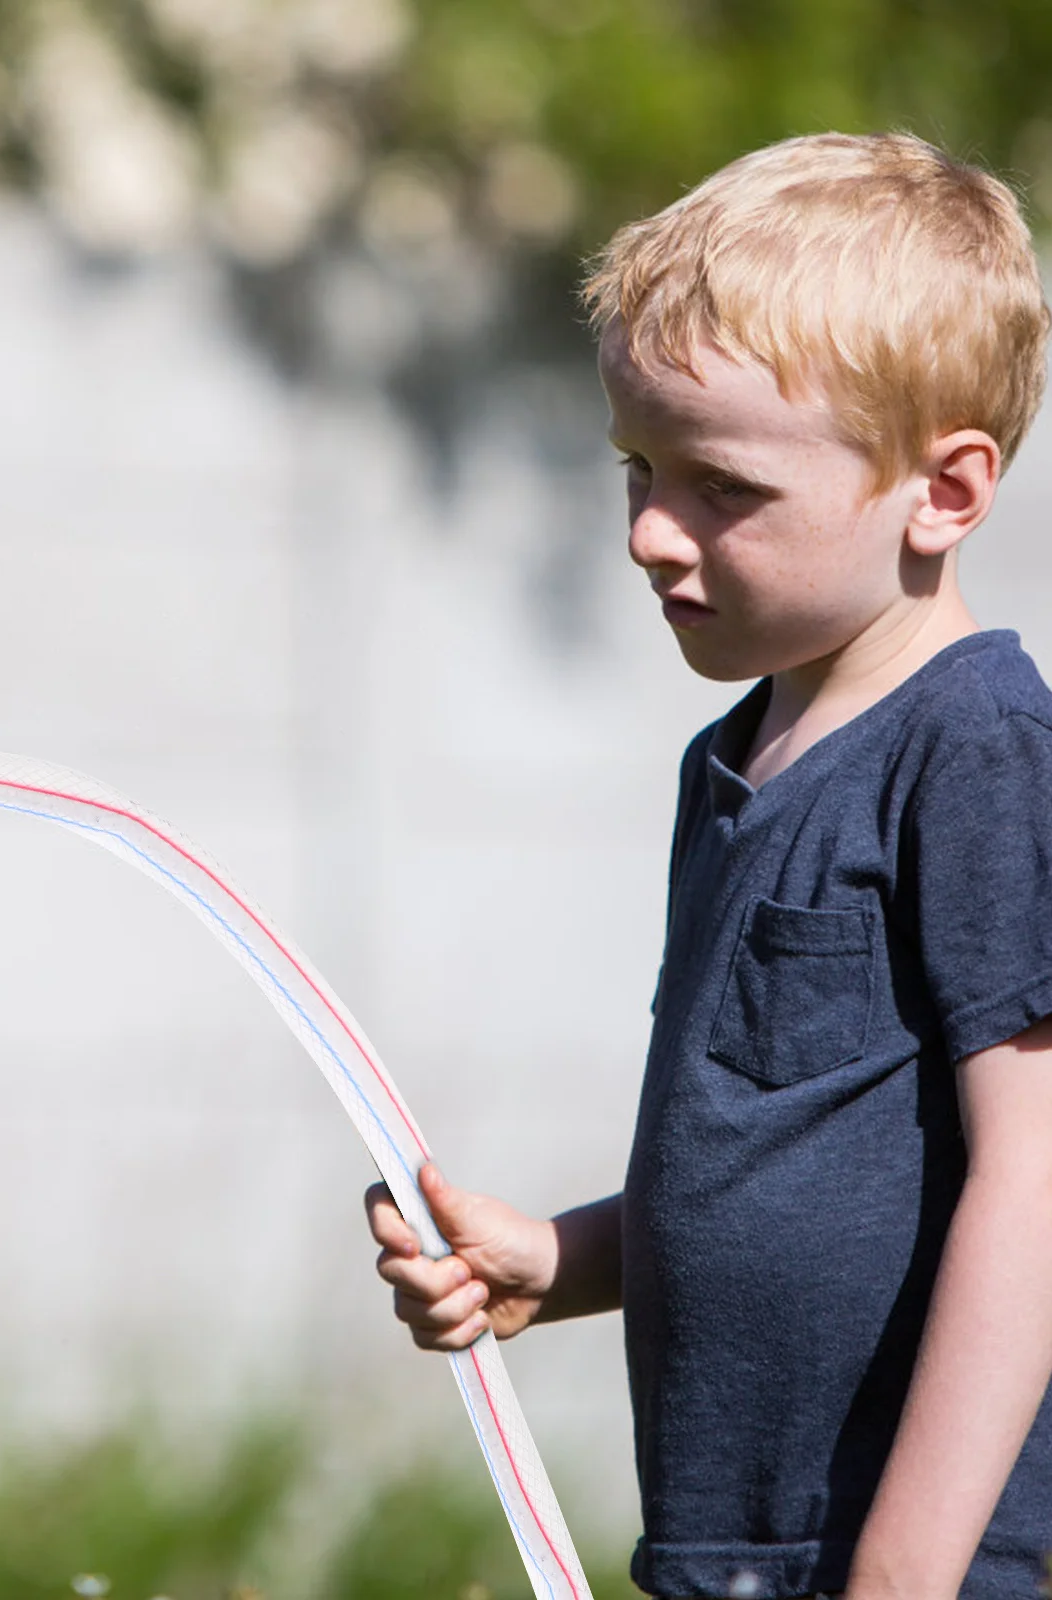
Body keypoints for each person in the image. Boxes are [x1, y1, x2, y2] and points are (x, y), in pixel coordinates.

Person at [365, 131, 1052, 1600]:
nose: (650, 535)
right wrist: (563, 1261)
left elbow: (1036, 1173)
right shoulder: (736, 762)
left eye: (721, 487)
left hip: (914, 1555)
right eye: (638, 468)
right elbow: (789, 1154)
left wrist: (910, 1567)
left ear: (944, 491)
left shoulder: (979, 750)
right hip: (729, 1540)